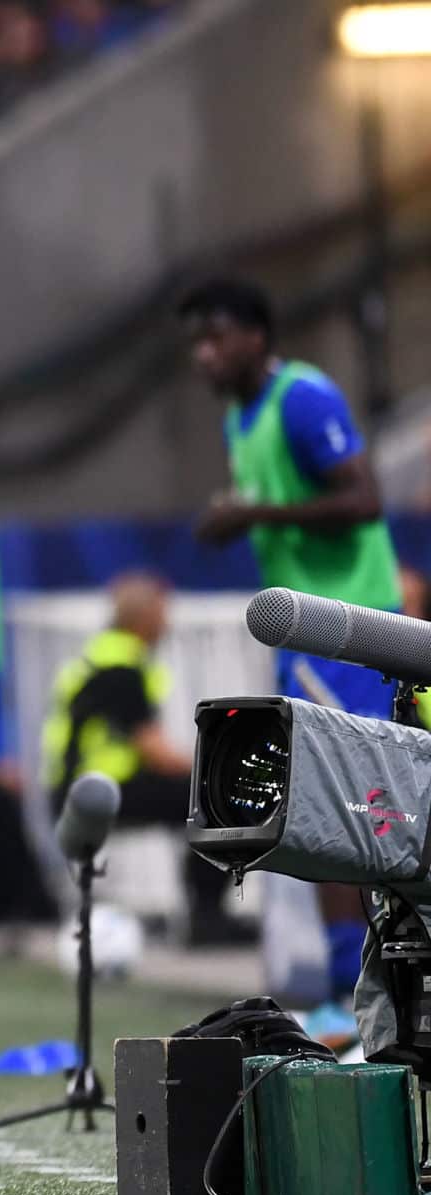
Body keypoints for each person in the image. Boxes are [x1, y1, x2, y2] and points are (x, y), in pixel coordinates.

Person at [180, 276, 402, 1004]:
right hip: (303, 636)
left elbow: (365, 498)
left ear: (256, 336)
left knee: (355, 807)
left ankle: (366, 982)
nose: (204, 356)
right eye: (197, 344)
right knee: (315, 806)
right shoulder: (239, 418)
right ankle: (348, 983)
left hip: (350, 629)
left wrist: (254, 514)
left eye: (215, 339)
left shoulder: (302, 398)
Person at [40, 573, 243, 941]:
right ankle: (207, 917)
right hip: (97, 792)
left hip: (79, 789)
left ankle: (205, 911)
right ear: (142, 617)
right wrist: (220, 767)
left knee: (196, 796)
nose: (167, 622)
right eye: (162, 612)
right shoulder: (122, 667)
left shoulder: (102, 655)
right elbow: (154, 751)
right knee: (213, 797)